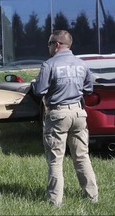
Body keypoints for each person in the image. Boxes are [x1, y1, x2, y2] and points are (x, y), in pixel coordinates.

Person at [31, 30, 99, 207]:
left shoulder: (49, 65)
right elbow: (89, 89)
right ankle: (93, 197)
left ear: (57, 44)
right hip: (78, 113)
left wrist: (35, 83)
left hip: (57, 114)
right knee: (82, 157)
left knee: (55, 160)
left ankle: (55, 202)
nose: (48, 47)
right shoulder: (82, 64)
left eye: (49, 44)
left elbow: (39, 91)